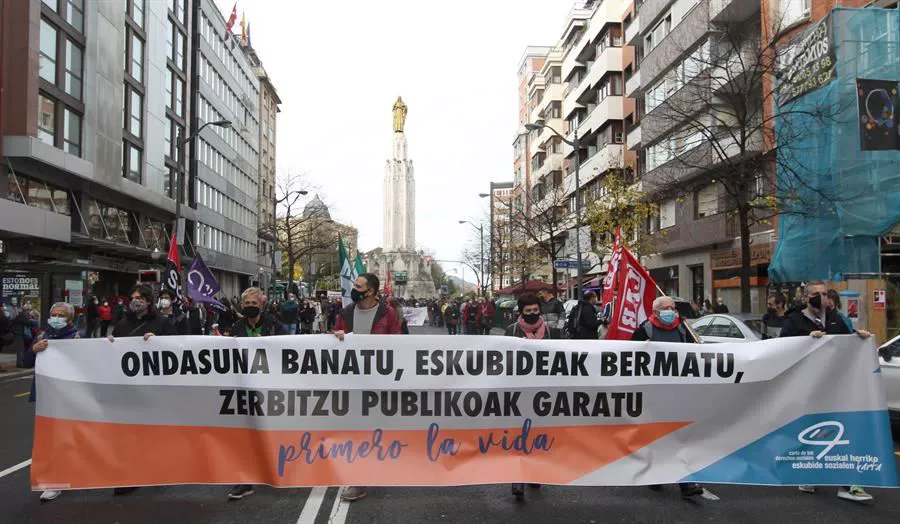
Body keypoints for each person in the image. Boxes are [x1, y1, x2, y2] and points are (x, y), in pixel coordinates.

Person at [778, 281, 873, 502]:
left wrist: (859, 338)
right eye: (815, 293)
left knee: (843, 430)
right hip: (808, 387)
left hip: (836, 386)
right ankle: (810, 473)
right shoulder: (795, 321)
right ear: (806, 297)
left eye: (823, 293)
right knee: (814, 431)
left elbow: (847, 342)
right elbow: (782, 349)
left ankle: (849, 484)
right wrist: (806, 341)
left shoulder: (835, 319)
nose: (820, 297)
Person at [333, 273, 402, 502]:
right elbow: (333, 338)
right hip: (352, 382)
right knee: (355, 431)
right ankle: (358, 479)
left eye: (358, 286)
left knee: (375, 430)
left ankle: (375, 467)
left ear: (370, 291)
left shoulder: (387, 314)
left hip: (378, 384)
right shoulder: (346, 313)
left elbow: (399, 344)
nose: (353, 288)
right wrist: (336, 336)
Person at [631, 296, 705, 499]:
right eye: (666, 308)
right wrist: (641, 350)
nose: (670, 311)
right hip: (654, 393)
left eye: (672, 307)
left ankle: (686, 482)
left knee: (681, 436)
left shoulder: (683, 329)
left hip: (679, 391)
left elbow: (697, 353)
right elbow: (630, 358)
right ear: (655, 312)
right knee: (657, 436)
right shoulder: (644, 331)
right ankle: (656, 473)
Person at [107, 285, 174, 496]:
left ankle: (157, 466)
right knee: (128, 434)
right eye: (133, 297)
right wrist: (108, 344)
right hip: (128, 388)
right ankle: (130, 475)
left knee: (152, 433)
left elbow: (175, 349)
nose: (135, 301)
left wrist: (159, 342)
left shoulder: (162, 323)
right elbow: (113, 351)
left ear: (148, 301)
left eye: (139, 298)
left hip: (154, 387)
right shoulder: (122, 324)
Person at [227, 287, 278, 500]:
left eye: (254, 304)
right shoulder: (236, 327)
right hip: (244, 385)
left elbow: (288, 351)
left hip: (269, 386)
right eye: (247, 304)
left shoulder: (274, 325)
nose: (250, 307)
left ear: (262, 306)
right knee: (245, 432)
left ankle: (272, 467)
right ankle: (245, 479)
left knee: (267, 430)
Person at [29, 302, 80, 502]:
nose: (56, 318)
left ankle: (71, 474)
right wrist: (34, 349)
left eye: (60, 315)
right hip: (46, 394)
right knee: (49, 440)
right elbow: (26, 361)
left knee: (67, 439)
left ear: (70, 319)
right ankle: (55, 481)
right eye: (53, 314)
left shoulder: (77, 337)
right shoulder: (43, 335)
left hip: (68, 395)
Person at [504, 292, 550, 499]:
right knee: (519, 435)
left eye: (535, 310)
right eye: (528, 311)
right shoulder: (512, 330)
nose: (532, 313)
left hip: (543, 392)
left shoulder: (550, 332)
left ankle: (534, 472)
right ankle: (518, 477)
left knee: (538, 435)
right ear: (521, 312)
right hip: (518, 392)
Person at [11, 302, 39, 368]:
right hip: (19, 333)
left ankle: (21, 363)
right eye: (30, 309)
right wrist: (35, 322)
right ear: (27, 309)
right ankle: (20, 364)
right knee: (20, 349)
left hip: (19, 333)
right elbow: (27, 323)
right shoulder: (23, 315)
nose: (30, 311)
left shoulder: (22, 314)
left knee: (21, 349)